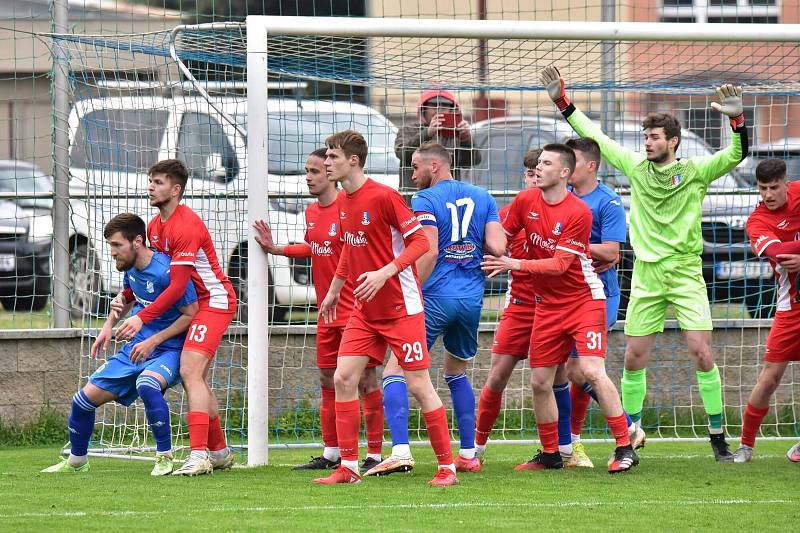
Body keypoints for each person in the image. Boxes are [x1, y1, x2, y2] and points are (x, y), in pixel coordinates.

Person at [540, 66, 748, 462]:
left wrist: (737, 121)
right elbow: (596, 137)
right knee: (634, 357)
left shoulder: (695, 171)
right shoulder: (636, 167)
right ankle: (632, 432)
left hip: (686, 271)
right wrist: (563, 102)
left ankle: (719, 437)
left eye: (653, 137)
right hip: (648, 275)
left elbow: (737, 154)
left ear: (673, 141)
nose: (647, 142)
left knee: (701, 352)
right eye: (645, 137)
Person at [482, 144, 638, 473]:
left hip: (583, 301)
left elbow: (559, 265)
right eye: (537, 163)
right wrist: (485, 236)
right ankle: (552, 454)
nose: (537, 168)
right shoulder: (526, 201)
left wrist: (513, 262)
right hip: (547, 306)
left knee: (591, 371)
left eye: (546, 163)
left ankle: (625, 446)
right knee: (540, 381)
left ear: (564, 173)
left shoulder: (578, 212)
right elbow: (502, 234)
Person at [314, 130, 458, 486]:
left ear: (353, 161)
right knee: (343, 377)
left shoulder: (384, 196)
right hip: (365, 310)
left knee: (419, 385)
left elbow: (422, 243)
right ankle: (349, 467)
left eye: (332, 157)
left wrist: (386, 271)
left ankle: (448, 468)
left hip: (401, 307)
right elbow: (350, 247)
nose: (326, 163)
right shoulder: (344, 201)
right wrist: (334, 290)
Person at [365, 142, 505, 476]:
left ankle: (400, 450)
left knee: (395, 372)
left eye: (415, 167)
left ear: (434, 166)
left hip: (434, 297)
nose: (412, 174)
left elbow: (427, 248)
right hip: (471, 300)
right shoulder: (483, 197)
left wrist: (407, 287)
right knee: (456, 372)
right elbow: (499, 247)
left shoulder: (424, 199)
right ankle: (469, 453)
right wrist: (470, 243)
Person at [253, 148, 384, 473]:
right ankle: (331, 452)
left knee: (365, 379)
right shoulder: (312, 212)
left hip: (356, 310)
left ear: (332, 172)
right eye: (308, 170)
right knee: (327, 377)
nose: (310, 177)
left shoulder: (349, 206)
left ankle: (375, 455)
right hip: (326, 312)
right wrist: (277, 249)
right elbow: (315, 247)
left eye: (315, 170)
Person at [42, 213, 198, 476]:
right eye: (110, 246)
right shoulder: (131, 270)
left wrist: (154, 340)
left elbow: (191, 312)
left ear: (137, 241)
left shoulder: (166, 271)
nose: (112, 253)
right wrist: (108, 326)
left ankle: (164, 457)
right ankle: (77, 462)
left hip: (169, 349)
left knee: (147, 384)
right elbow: (127, 297)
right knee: (81, 401)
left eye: (117, 245)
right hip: (137, 347)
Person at [115, 159, 238, 476]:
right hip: (196, 304)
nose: (151, 187)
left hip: (214, 302)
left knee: (189, 370)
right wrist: (127, 297)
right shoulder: (155, 227)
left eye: (158, 182)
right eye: (150, 181)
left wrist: (142, 320)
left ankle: (199, 456)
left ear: (176, 189)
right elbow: (155, 276)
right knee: (194, 376)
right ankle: (220, 452)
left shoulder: (186, 226)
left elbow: (178, 286)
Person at [560, 137, 645, 468]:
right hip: (564, 295)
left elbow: (611, 252)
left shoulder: (607, 201)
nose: (566, 167)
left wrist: (570, 245)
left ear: (591, 166)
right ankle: (574, 447)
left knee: (580, 368)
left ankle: (623, 430)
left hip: (599, 295)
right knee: (574, 371)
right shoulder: (560, 196)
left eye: (574, 161)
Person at [475, 148, 541, 460]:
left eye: (538, 171)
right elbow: (489, 247)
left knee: (564, 378)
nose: (534, 178)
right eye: (529, 173)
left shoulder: (567, 211)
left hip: (557, 307)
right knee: (497, 376)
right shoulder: (507, 215)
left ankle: (567, 447)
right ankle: (476, 448)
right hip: (519, 306)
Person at [733, 159, 800, 463]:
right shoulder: (757, 221)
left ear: (787, 184)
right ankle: (746, 445)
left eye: (774, 187)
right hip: (791, 309)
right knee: (770, 377)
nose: (769, 194)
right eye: (763, 188)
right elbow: (777, 253)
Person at [394, 89, 481, 190]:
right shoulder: (409, 130)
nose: (438, 109)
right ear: (423, 109)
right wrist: (427, 133)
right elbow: (401, 153)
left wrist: (465, 138)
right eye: (433, 106)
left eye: (444, 106)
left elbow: (473, 161)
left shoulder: (456, 132)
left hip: (446, 197)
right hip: (415, 196)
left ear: (451, 110)